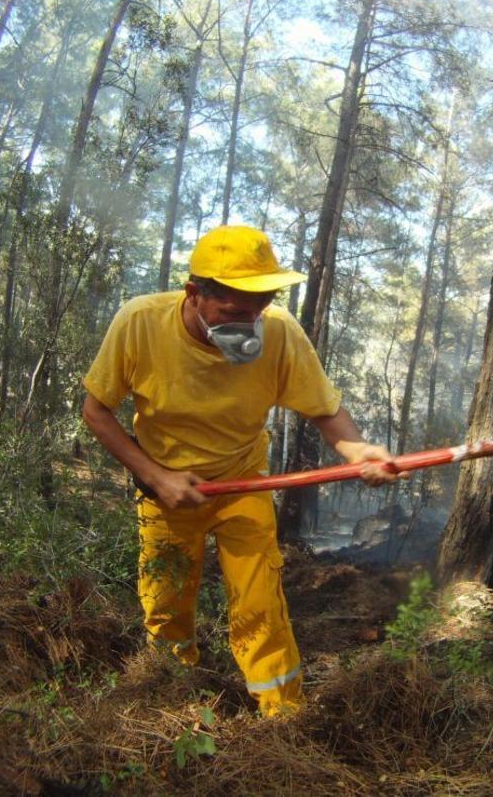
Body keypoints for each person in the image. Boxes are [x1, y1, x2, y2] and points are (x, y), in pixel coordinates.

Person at [81, 225, 399, 717]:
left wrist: (357, 452)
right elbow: (96, 411)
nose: (250, 322)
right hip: (168, 488)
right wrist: (156, 476)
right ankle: (172, 696)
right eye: (233, 311)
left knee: (260, 603)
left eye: (260, 306)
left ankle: (282, 715)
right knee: (166, 602)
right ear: (194, 293)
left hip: (244, 481)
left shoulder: (280, 333)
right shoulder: (140, 323)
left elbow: (323, 408)